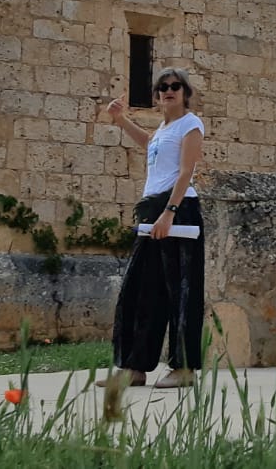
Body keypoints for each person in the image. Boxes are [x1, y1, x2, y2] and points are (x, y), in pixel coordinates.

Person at [101, 68, 205, 389]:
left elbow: (186, 170)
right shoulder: (164, 127)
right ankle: (134, 367)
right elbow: (151, 144)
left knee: (182, 291)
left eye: (175, 86)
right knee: (141, 290)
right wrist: (121, 121)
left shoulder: (191, 124)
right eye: (163, 87)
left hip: (179, 209)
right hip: (152, 208)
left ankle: (184, 368)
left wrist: (169, 212)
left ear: (185, 92)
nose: (168, 91)